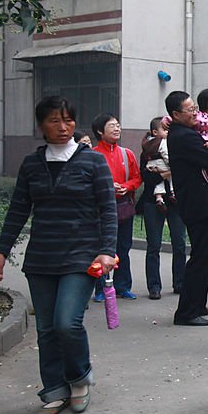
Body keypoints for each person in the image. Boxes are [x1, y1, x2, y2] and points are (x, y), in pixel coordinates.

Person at [0, 96, 116, 414]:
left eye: (68, 120)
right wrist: (1, 250)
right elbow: (19, 209)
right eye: (54, 121)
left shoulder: (92, 161)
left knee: (67, 322)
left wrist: (107, 250)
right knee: (47, 329)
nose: (62, 127)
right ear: (41, 126)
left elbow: (108, 209)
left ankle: (79, 379)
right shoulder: (32, 164)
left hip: (81, 256)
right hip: (42, 258)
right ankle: (53, 389)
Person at [166, 91, 208, 327]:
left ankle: (198, 303)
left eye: (195, 109)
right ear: (175, 114)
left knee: (206, 256)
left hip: (202, 203)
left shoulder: (187, 132)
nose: (195, 113)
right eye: (190, 110)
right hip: (199, 205)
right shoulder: (184, 136)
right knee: (200, 257)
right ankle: (186, 311)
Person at [91, 113, 141, 301]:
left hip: (123, 206)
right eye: (112, 125)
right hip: (101, 209)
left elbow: (137, 177)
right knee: (102, 248)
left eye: (118, 125)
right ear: (99, 130)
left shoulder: (126, 153)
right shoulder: (93, 155)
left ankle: (122, 286)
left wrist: (126, 187)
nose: (117, 128)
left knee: (124, 247)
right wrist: (108, 188)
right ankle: (100, 288)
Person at [139, 117, 186, 300]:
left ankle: (180, 283)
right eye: (165, 129)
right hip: (153, 202)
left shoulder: (176, 148)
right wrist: (167, 173)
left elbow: (184, 173)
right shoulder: (148, 150)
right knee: (153, 246)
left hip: (176, 202)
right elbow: (147, 178)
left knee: (180, 244)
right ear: (154, 132)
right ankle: (154, 286)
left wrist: (166, 173)